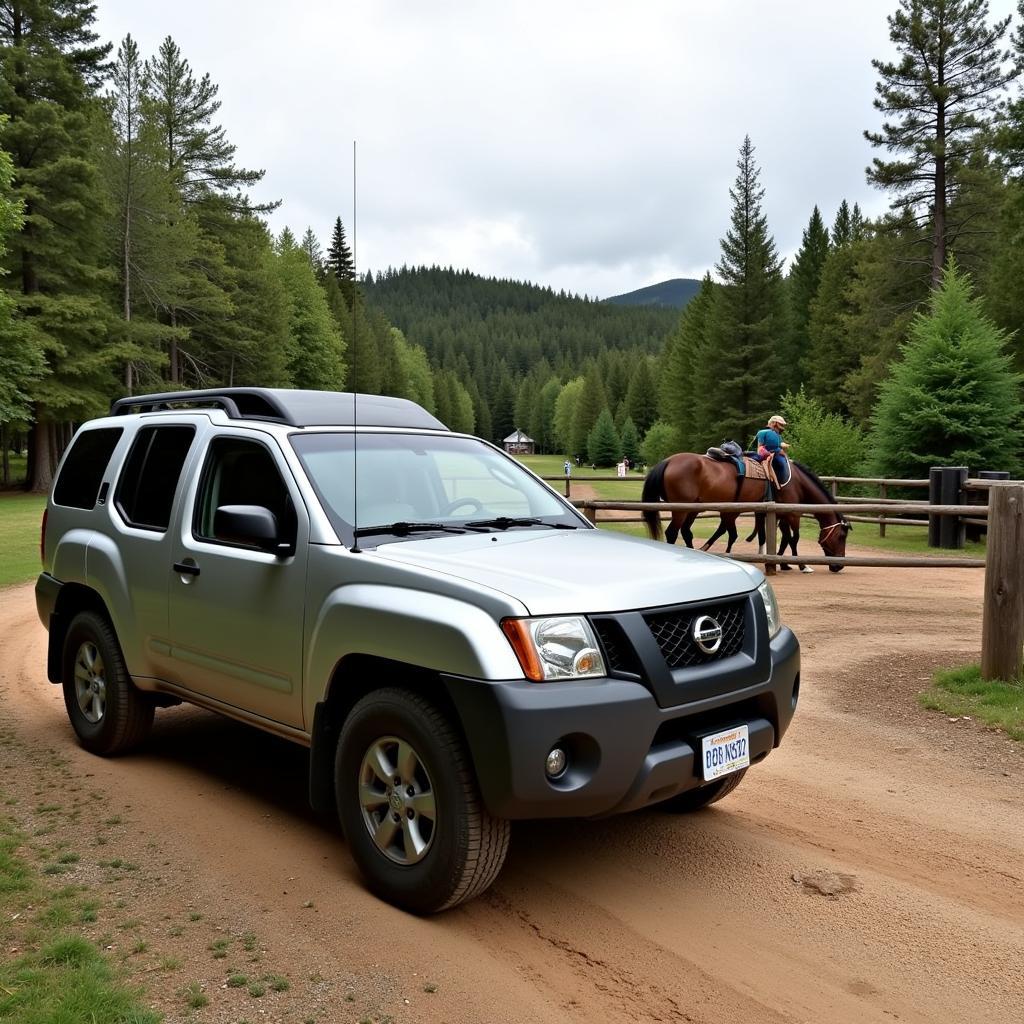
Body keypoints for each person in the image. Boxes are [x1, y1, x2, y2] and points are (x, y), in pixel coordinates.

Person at [753, 415, 790, 482]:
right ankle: (782, 481)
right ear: (774, 423)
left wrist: (784, 445)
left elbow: (780, 444)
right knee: (782, 463)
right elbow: (760, 445)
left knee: (783, 463)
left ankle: (782, 481)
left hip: (777, 453)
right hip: (766, 453)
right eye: (780, 424)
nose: (782, 426)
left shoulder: (778, 435)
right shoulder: (763, 432)